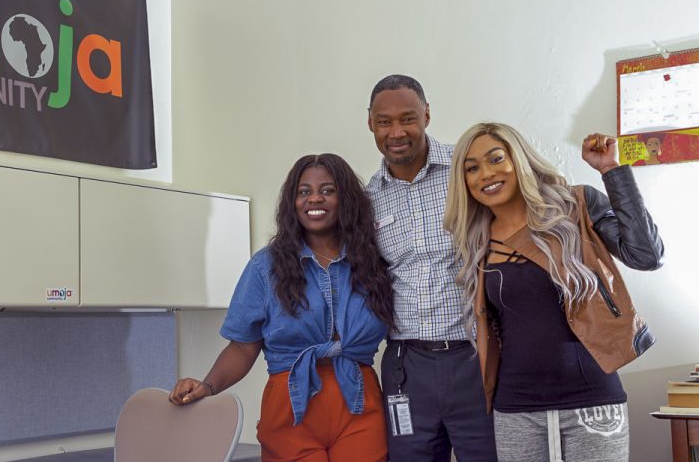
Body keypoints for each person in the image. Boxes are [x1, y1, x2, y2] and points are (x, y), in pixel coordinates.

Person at [443, 122, 664, 462]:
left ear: (518, 160)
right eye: (471, 168)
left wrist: (611, 170)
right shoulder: (475, 240)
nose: (485, 174)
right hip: (516, 410)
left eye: (495, 158)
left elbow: (647, 255)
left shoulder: (574, 207)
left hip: (592, 403)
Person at [169, 153, 394, 462]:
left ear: (346, 199)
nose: (315, 198)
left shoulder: (373, 264)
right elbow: (243, 348)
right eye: (304, 191)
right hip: (290, 405)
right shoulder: (266, 266)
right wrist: (207, 386)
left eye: (328, 190)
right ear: (293, 201)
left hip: (359, 402)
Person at [365, 74, 497, 461]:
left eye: (407, 118)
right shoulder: (368, 197)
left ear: (426, 114)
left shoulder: (469, 170)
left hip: (476, 356)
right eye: (384, 121)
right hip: (406, 366)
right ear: (370, 123)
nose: (396, 131)